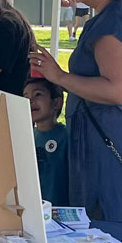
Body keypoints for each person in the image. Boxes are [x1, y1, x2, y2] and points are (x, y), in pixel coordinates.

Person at [28, 0, 122, 222]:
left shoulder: (112, 23)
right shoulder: (108, 19)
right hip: (102, 139)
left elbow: (116, 90)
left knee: (107, 229)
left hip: (109, 145)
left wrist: (59, 76)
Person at [25, 76, 69, 206]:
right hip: (34, 208)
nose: (30, 101)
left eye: (38, 95)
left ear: (56, 103)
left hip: (61, 208)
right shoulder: (27, 136)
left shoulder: (67, 136)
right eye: (25, 97)